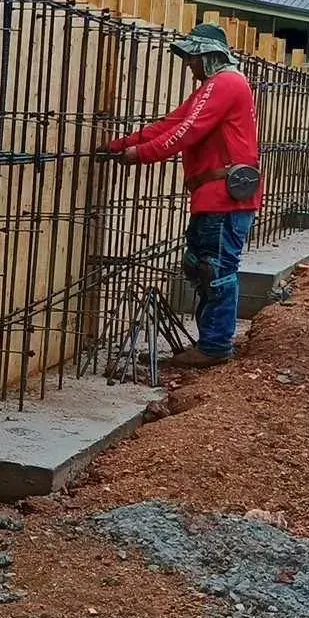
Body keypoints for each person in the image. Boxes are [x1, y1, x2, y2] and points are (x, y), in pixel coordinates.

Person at [99, 24, 262, 367]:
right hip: (214, 197)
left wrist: (141, 155)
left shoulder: (225, 83)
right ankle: (212, 342)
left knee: (215, 268)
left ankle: (215, 346)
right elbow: (173, 122)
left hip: (223, 198)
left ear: (207, 55)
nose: (189, 65)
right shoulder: (215, 86)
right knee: (200, 265)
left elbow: (186, 132)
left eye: (192, 57)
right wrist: (123, 143)